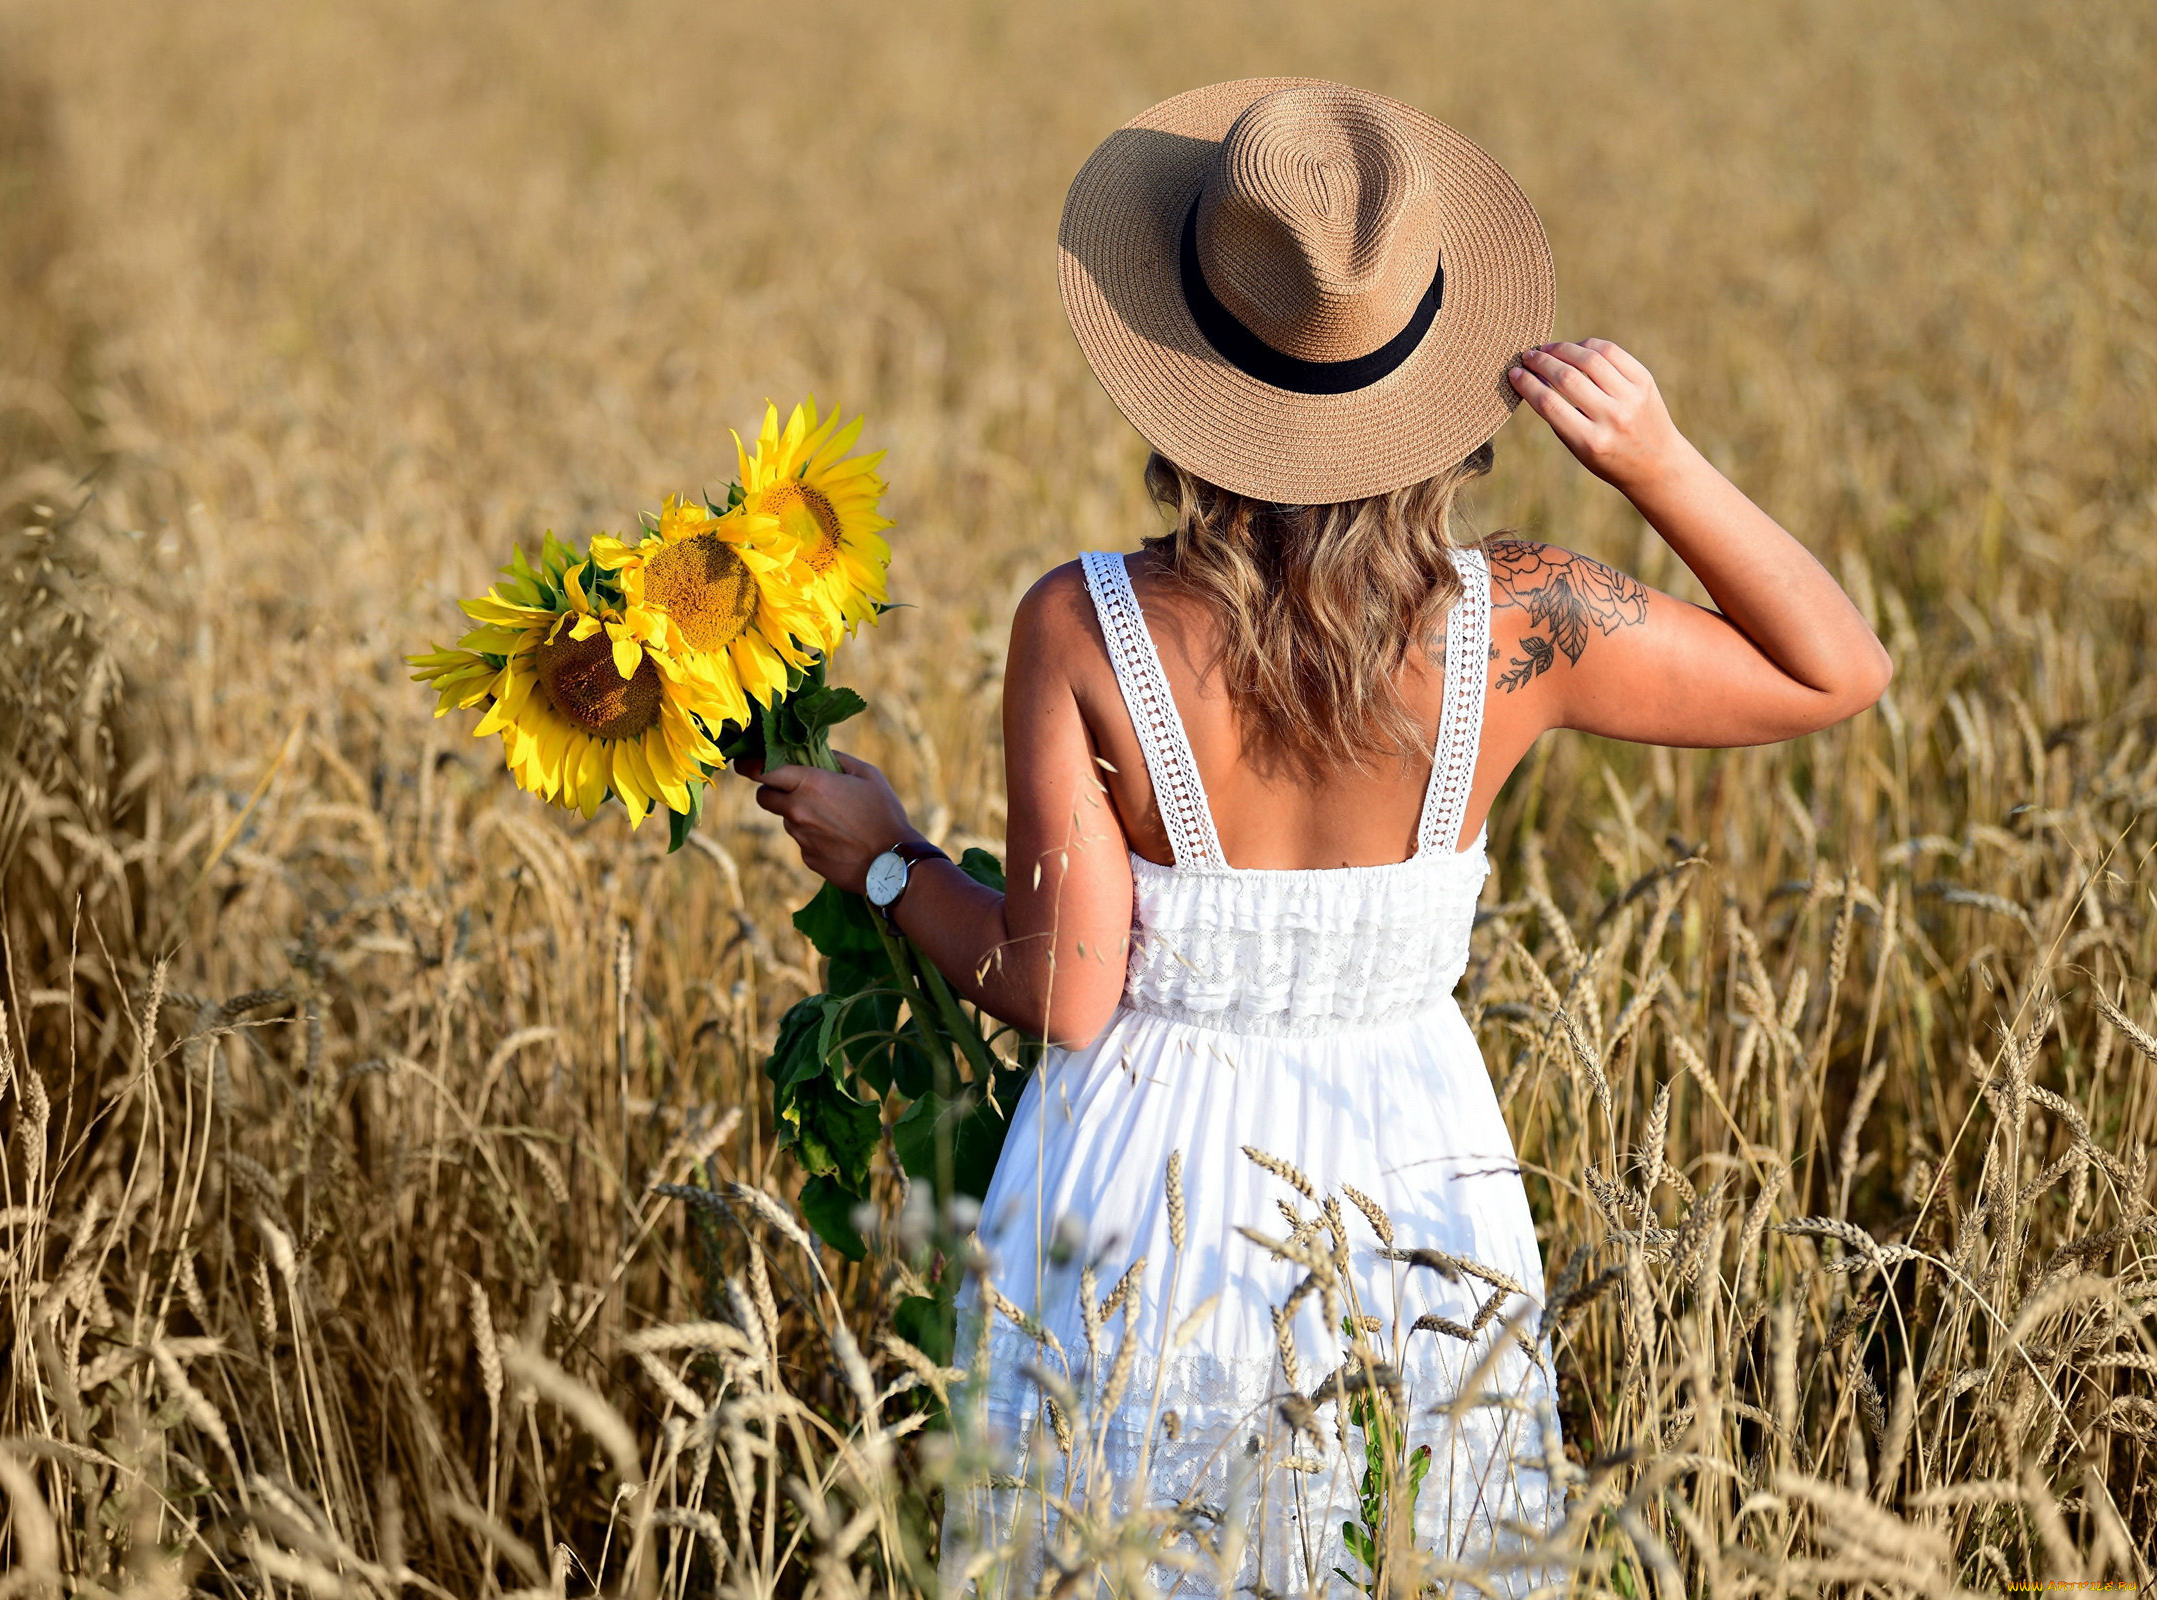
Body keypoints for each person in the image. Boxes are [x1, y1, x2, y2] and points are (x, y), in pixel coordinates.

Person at [743, 78, 1889, 1597]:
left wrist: (891, 861)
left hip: (1132, 1200)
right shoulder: (1526, 616)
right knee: (1409, 1539)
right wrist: (1656, 461)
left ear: (1181, 374)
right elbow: (1839, 668)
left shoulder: (1084, 622)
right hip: (1416, 1184)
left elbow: (1063, 991)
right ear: (1437, 371)